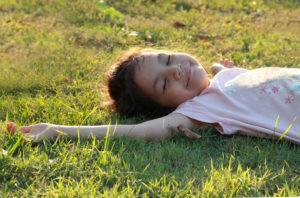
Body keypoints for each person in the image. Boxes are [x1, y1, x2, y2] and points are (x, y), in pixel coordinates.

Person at [6, 49, 300, 144]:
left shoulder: (223, 80)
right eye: (162, 85)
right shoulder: (202, 108)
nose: (175, 69)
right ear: (166, 107)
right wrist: (60, 131)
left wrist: (222, 70)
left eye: (167, 57)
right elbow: (142, 131)